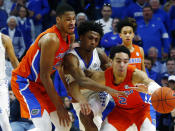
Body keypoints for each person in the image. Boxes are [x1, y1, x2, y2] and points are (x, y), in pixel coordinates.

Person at [11, 3, 123, 131]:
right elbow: (44, 75)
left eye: (74, 19)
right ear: (58, 20)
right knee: (44, 128)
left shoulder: (70, 37)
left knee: (64, 125)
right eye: (68, 19)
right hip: (26, 82)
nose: (72, 22)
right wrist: (59, 106)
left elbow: (60, 67)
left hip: (42, 84)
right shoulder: (51, 39)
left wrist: (69, 91)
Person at [69, 45, 162, 131]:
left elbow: (153, 85)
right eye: (118, 61)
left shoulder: (135, 74)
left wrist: (150, 89)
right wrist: (81, 99)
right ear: (110, 61)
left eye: (125, 61)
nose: (122, 65)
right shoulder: (102, 77)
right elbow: (74, 84)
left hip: (142, 112)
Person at [63, 21, 113, 131]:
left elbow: (113, 74)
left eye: (96, 40)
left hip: (98, 91)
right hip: (78, 94)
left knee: (86, 114)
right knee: (88, 125)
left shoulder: (99, 53)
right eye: (90, 38)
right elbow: (81, 81)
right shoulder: (71, 58)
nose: (93, 42)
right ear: (81, 37)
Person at [0, 33, 19, 131]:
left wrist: (23, 78)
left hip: (1, 84)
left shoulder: (4, 39)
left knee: (5, 121)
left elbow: (14, 60)